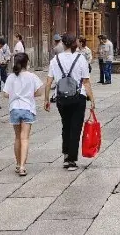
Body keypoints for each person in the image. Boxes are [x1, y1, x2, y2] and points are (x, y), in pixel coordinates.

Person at [44, 34, 96, 171]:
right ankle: (72, 160)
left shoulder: (55, 59)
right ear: (75, 43)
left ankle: (66, 155)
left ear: (63, 44)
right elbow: (86, 81)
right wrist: (92, 99)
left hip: (61, 97)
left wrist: (46, 99)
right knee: (75, 128)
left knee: (65, 125)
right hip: (78, 97)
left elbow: (49, 81)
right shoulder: (81, 59)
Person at [2, 53, 43, 176]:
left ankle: (17, 163)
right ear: (27, 62)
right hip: (27, 108)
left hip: (14, 108)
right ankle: (22, 167)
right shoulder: (32, 76)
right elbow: (39, 92)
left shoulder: (11, 77)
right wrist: (28, 94)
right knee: (24, 138)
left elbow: (5, 94)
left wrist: (15, 94)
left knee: (17, 137)